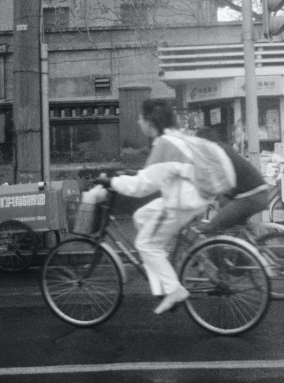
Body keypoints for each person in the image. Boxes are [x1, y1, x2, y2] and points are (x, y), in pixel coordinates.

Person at [91, 99, 235, 315]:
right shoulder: (175, 137)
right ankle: (160, 283)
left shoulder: (164, 145)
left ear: (150, 121)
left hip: (181, 201)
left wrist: (111, 183)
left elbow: (141, 187)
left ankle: (174, 290)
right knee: (141, 215)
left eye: (140, 118)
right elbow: (157, 173)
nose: (139, 122)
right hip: (191, 195)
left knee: (145, 244)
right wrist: (130, 176)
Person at [194, 127, 271, 233]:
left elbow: (219, 179)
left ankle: (219, 247)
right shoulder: (222, 148)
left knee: (213, 226)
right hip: (254, 194)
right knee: (228, 214)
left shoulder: (217, 153)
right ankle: (249, 242)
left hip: (250, 197)